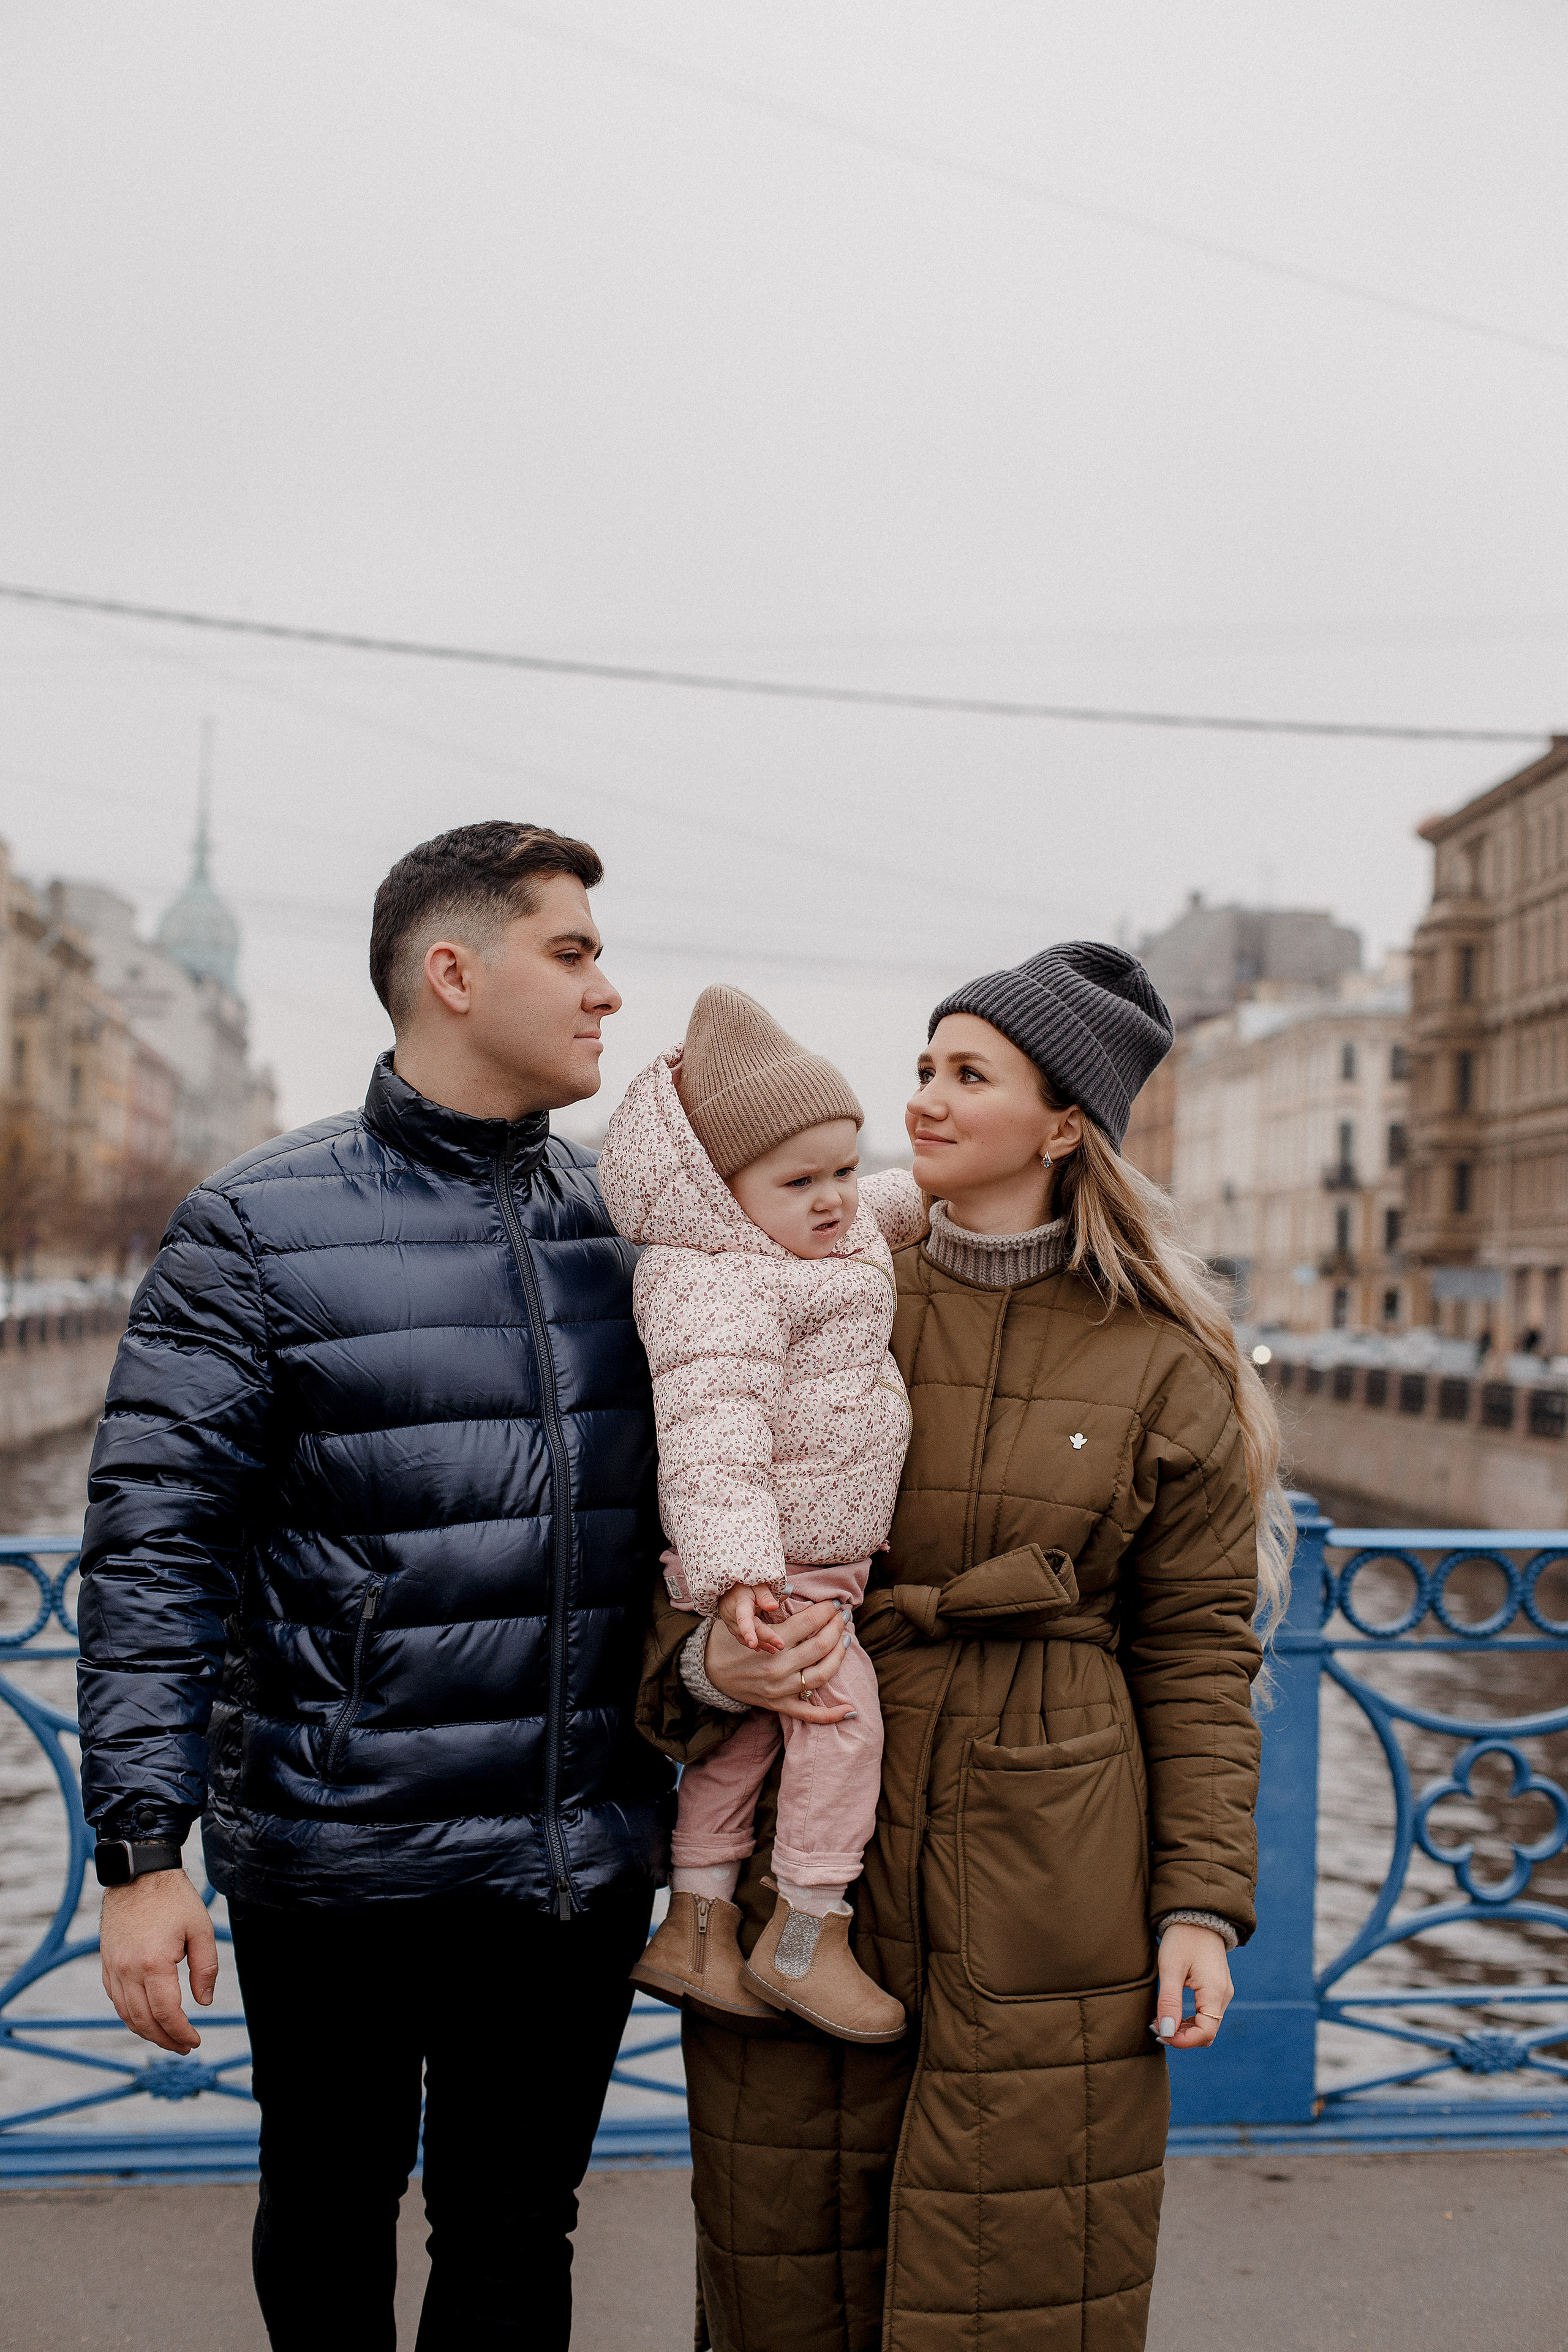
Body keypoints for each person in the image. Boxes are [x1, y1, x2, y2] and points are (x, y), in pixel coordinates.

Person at [74, 821, 844, 2351]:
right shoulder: (251, 1227)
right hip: (335, 1850)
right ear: (451, 972)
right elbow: (153, 1557)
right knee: (329, 2212)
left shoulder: (638, 1233)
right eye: (570, 952)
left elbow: (738, 1469)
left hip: (569, 1852)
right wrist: (142, 1852)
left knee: (515, 2232)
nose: (607, 993)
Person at [638, 941, 1292, 2352]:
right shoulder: (809, 1287)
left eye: (966, 1073)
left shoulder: (1162, 1350)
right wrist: (707, 1672)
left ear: (1066, 1122)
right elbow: (689, 1546)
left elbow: (1193, 1650)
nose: (922, 1098)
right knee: (784, 2271)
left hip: (1054, 1878)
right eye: (923, 1067)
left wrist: (1196, 1907)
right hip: (817, 1864)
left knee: (1018, 2281)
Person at [595, 984, 926, 2042]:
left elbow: (898, 1201)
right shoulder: (719, 1283)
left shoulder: (810, 1230)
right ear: (720, 1194)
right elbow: (711, 1436)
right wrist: (742, 1574)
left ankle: (694, 1927)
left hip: (789, 1558)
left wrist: (960, 1179)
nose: (836, 1198)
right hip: (778, 1568)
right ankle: (805, 1935)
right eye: (804, 1180)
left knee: (738, 1742)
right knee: (842, 1724)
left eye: (845, 1165)